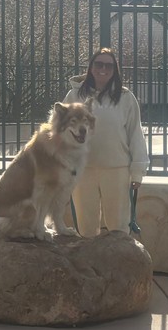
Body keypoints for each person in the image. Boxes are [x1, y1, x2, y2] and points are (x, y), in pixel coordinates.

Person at [63, 47, 149, 236]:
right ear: (91, 68)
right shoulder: (74, 96)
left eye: (109, 65)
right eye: (99, 64)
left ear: (115, 70)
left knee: (119, 226)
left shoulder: (126, 98)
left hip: (117, 168)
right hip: (83, 170)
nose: (104, 69)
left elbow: (135, 133)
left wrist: (137, 172)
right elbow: (62, 132)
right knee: (86, 227)